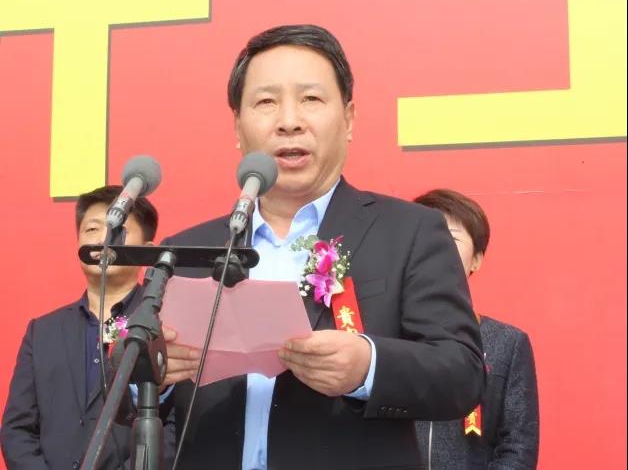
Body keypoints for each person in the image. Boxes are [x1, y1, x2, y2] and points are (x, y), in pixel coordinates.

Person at [161, 24, 485, 470]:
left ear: (348, 119)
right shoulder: (185, 251)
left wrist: (369, 367)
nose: (289, 121)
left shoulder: (410, 232)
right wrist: (154, 374)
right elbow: (129, 401)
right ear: (237, 126)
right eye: (266, 102)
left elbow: (462, 373)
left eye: (310, 99)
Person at [1, 186, 159, 470]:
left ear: (147, 251)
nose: (102, 239)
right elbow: (17, 430)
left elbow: (174, 427)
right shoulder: (43, 332)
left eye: (118, 229)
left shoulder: (163, 328)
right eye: (92, 229)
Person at [414, 189, 539, 470]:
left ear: (477, 259)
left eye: (451, 237)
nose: (436, 247)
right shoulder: (381, 336)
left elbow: (519, 448)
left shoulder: (507, 343)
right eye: (425, 236)